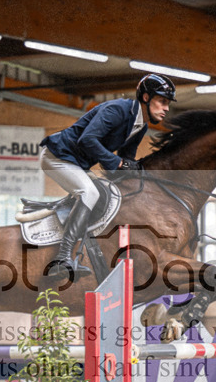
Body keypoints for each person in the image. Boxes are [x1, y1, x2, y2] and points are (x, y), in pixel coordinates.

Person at [39, 73, 176, 280]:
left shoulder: (141, 126)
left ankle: (83, 254)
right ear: (146, 97)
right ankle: (62, 258)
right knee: (89, 193)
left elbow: (126, 159)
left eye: (168, 103)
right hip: (57, 156)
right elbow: (88, 140)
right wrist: (118, 163)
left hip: (75, 163)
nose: (166, 108)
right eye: (162, 101)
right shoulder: (117, 110)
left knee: (107, 194)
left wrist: (141, 174)